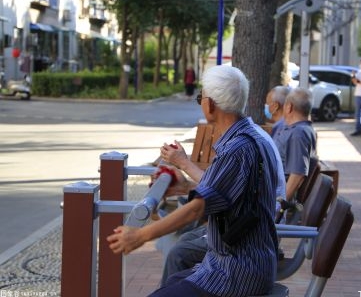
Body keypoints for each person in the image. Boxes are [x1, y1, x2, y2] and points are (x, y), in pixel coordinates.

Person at [107, 65, 279, 297]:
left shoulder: (237, 149)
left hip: (236, 271)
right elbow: (224, 187)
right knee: (173, 280)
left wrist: (140, 235)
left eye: (201, 98)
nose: (201, 103)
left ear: (210, 104)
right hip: (243, 261)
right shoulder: (253, 137)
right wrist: (186, 172)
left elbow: (195, 210)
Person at [272, 87, 317, 202]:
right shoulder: (299, 129)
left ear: (289, 107)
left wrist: (278, 207)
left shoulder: (298, 134)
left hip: (274, 196)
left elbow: (297, 175)